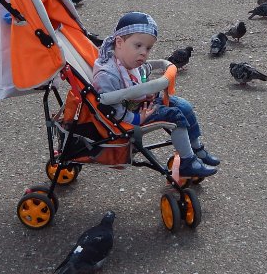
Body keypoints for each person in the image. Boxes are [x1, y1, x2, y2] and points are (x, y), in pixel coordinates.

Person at [93, 11, 219, 178]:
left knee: (184, 106)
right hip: (127, 116)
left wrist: (148, 92)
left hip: (139, 104)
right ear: (119, 42)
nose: (144, 53)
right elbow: (110, 108)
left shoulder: (130, 62)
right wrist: (137, 119)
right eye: (138, 46)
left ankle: (196, 148)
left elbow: (141, 76)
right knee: (174, 115)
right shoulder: (107, 75)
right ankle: (187, 162)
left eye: (148, 48)